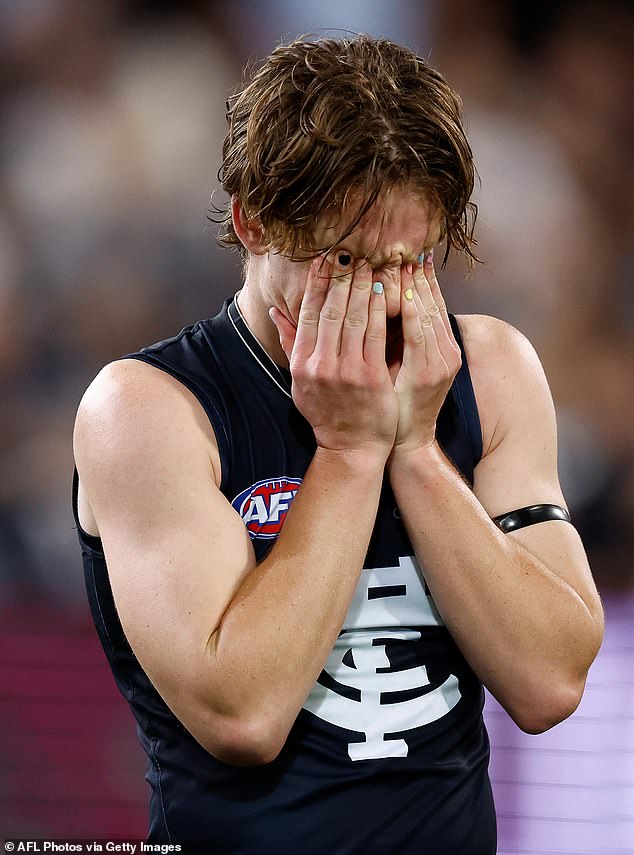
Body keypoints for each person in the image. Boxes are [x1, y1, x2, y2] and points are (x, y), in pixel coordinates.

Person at [72, 35, 604, 854]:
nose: (382, 300)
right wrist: (353, 453)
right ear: (253, 221)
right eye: (345, 260)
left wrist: (419, 449)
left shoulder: (490, 368)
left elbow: (551, 680)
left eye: (410, 261)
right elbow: (242, 713)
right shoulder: (147, 409)